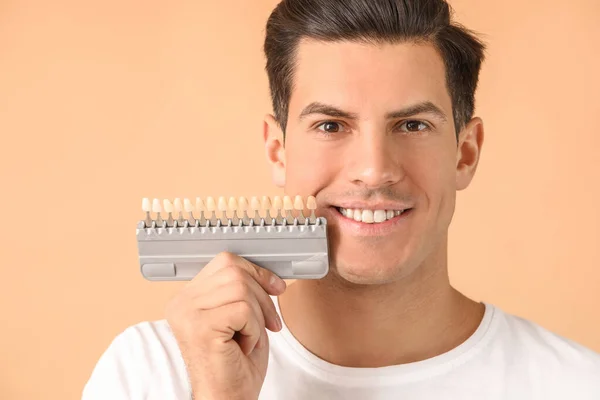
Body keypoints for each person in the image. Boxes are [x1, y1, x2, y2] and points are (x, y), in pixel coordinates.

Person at [82, 0, 600, 399]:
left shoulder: (577, 385)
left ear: (465, 153)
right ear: (278, 151)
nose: (374, 170)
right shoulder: (151, 373)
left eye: (413, 124)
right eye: (331, 125)